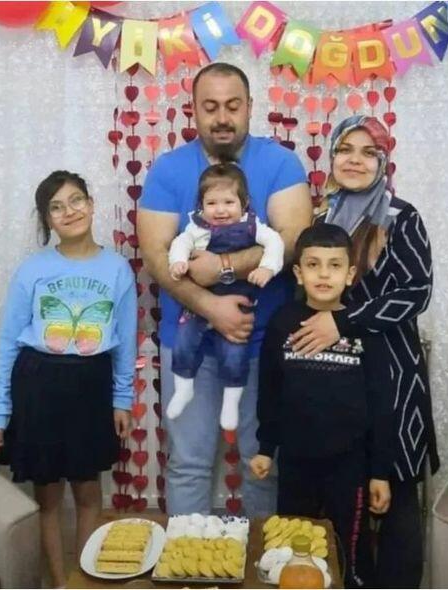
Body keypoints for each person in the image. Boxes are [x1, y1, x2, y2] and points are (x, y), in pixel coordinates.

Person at [138, 62, 312, 516]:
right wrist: (210, 307)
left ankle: (263, 560)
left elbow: (294, 239)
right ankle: (188, 561)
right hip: (188, 344)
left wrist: (225, 267)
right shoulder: (168, 169)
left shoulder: (280, 163)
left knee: (263, 465)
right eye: (210, 106)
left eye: (232, 106)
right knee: (188, 465)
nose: (222, 117)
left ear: (250, 106)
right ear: (193, 110)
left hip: (262, 344)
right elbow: (156, 254)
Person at [288, 115, 439, 588]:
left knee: (395, 498)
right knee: (338, 499)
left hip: (392, 377)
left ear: (383, 161)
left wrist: (344, 320)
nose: (355, 160)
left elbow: (416, 292)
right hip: (336, 378)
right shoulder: (322, 218)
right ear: (331, 157)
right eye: (345, 150)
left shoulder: (401, 217)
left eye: (368, 152)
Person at [0, 170, 137, 588]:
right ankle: (59, 583)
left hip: (91, 386)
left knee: (88, 490)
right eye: (56, 207)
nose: (69, 212)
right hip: (39, 385)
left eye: (75, 200)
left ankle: (84, 579)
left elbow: (125, 342)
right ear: (47, 219)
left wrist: (122, 400)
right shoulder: (32, 270)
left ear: (91, 204)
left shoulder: (117, 269)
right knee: (48, 496)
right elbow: (9, 342)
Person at [250, 223, 395, 588]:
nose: (324, 274)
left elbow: (381, 403)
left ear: (350, 274)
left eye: (334, 265)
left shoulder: (364, 329)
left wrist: (380, 472)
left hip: (351, 466)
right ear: (299, 273)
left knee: (350, 551)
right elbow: (270, 390)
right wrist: (266, 447)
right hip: (296, 462)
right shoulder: (283, 322)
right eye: (313, 265)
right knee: (292, 547)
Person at [167, 161, 284, 431]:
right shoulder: (197, 227)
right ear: (201, 205)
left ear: (244, 204)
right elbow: (180, 242)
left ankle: (231, 402)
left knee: (234, 353)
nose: (220, 210)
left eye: (229, 202)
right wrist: (178, 261)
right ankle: (184, 388)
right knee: (183, 342)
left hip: (238, 303)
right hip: (199, 301)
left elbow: (276, 242)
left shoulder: (253, 226)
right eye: (212, 203)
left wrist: (267, 268)